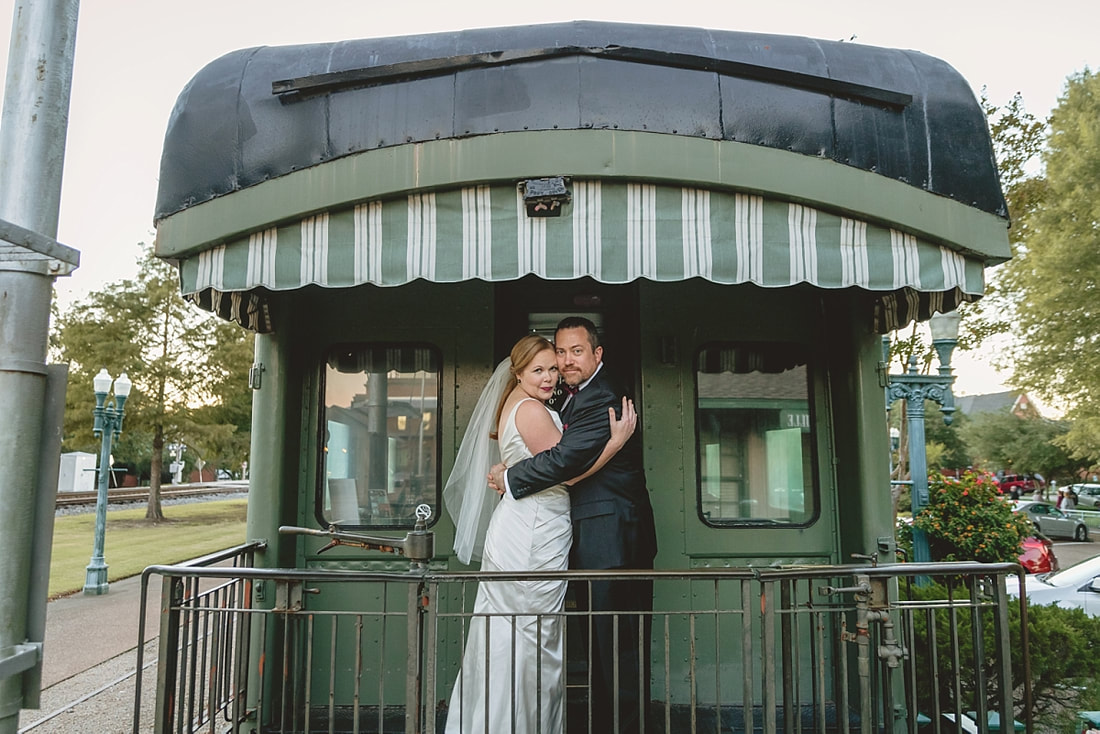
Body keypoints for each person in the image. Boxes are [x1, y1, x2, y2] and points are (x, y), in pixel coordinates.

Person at [443, 334, 636, 734]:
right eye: (539, 370)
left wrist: (507, 474)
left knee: (510, 630)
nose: (550, 377)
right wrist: (614, 445)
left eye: (553, 368)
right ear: (517, 372)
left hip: (522, 523)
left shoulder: (516, 402)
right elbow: (565, 472)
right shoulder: (531, 410)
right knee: (531, 634)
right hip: (533, 531)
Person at [489, 316, 658, 734]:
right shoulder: (565, 395)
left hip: (614, 539)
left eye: (575, 351)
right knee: (599, 646)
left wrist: (511, 476)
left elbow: (564, 461)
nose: (565, 362)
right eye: (559, 353)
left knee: (618, 648)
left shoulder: (605, 397)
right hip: (579, 537)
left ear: (597, 353)